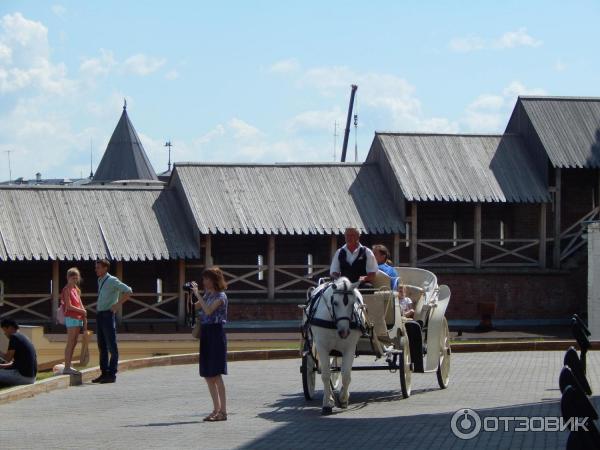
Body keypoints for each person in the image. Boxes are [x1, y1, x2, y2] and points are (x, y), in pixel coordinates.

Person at [191, 267, 228, 422]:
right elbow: (194, 307)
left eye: (207, 279)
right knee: (207, 375)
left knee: (216, 374)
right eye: (204, 279)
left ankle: (223, 412)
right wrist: (191, 293)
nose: (204, 281)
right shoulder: (207, 294)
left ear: (214, 280)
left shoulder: (221, 296)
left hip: (216, 334)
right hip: (206, 333)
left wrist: (198, 294)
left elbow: (208, 311)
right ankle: (215, 409)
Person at [92, 259, 132, 384]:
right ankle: (104, 373)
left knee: (111, 346)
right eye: (96, 267)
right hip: (100, 314)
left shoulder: (112, 280)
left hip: (108, 315)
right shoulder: (100, 280)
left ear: (105, 268)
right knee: (101, 345)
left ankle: (112, 374)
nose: (96, 269)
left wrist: (117, 304)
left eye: (98, 267)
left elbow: (128, 291)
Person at [61, 267, 87, 375]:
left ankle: (69, 365)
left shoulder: (76, 289)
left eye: (76, 279)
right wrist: (82, 310)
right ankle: (67, 367)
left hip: (78, 317)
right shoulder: (66, 289)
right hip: (71, 317)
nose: (75, 280)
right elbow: (69, 306)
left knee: (75, 342)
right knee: (70, 342)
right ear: (68, 278)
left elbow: (80, 304)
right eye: (73, 278)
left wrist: (83, 312)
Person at [0, 318, 37, 387]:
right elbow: (17, 363)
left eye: (5, 330)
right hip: (31, 378)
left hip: (23, 377)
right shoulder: (23, 337)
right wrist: (2, 366)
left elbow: (8, 358)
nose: (5, 333)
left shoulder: (14, 337)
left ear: (10, 328)